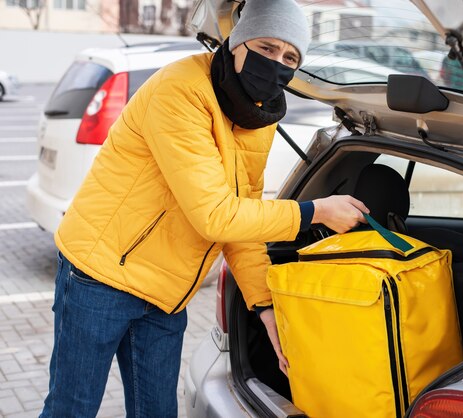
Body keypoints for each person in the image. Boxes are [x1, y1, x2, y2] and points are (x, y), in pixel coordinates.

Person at [39, 0, 368, 416]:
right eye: (266, 47)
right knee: (72, 408)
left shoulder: (258, 118)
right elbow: (215, 214)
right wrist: (313, 212)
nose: (277, 63)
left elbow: (242, 220)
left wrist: (264, 306)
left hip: (166, 293)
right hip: (99, 274)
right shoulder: (181, 90)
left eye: (290, 57)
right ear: (237, 43)